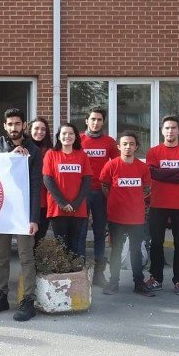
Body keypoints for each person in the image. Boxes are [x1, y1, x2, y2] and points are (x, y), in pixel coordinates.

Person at [0, 108, 41, 322]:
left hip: (24, 211)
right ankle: (1, 296)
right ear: (4, 126)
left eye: (17, 124)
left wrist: (34, 218)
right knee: (1, 256)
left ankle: (29, 300)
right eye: (10, 124)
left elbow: (36, 186)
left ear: (24, 125)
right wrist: (10, 156)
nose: (14, 128)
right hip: (1, 210)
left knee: (26, 257)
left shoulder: (34, 150)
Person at [145, 115, 179, 296]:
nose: (170, 131)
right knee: (156, 243)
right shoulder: (153, 152)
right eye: (167, 128)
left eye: (173, 128)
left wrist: (163, 173)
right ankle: (156, 277)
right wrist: (175, 172)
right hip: (158, 204)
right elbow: (153, 174)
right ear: (162, 131)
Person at [100, 132, 155, 297]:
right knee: (116, 250)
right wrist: (116, 201)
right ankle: (113, 282)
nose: (128, 147)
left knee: (136, 251)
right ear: (119, 147)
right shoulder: (111, 165)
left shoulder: (142, 167)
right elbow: (104, 186)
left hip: (136, 218)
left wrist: (135, 202)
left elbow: (146, 189)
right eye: (124, 144)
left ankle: (139, 283)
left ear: (136, 147)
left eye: (131, 144)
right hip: (116, 217)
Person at [80, 107, 118, 286]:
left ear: (103, 122)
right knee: (80, 232)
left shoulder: (110, 142)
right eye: (93, 119)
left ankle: (99, 273)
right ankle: (79, 272)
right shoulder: (78, 140)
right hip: (81, 192)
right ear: (86, 121)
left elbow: (118, 165)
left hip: (101, 193)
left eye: (99, 120)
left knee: (99, 233)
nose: (96, 123)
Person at [43, 122, 93, 258]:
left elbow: (87, 180)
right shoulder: (51, 154)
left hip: (78, 208)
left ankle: (75, 277)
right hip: (58, 208)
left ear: (76, 137)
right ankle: (64, 276)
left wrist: (75, 204)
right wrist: (63, 203)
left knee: (75, 245)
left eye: (71, 133)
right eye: (64, 133)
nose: (67, 136)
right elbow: (48, 179)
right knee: (61, 245)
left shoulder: (82, 155)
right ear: (59, 137)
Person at [28, 117, 53, 248]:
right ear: (30, 130)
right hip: (26, 200)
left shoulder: (51, 151)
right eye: (36, 128)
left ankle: (37, 267)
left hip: (45, 201)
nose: (40, 132)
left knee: (39, 238)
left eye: (43, 129)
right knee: (26, 240)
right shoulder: (22, 148)